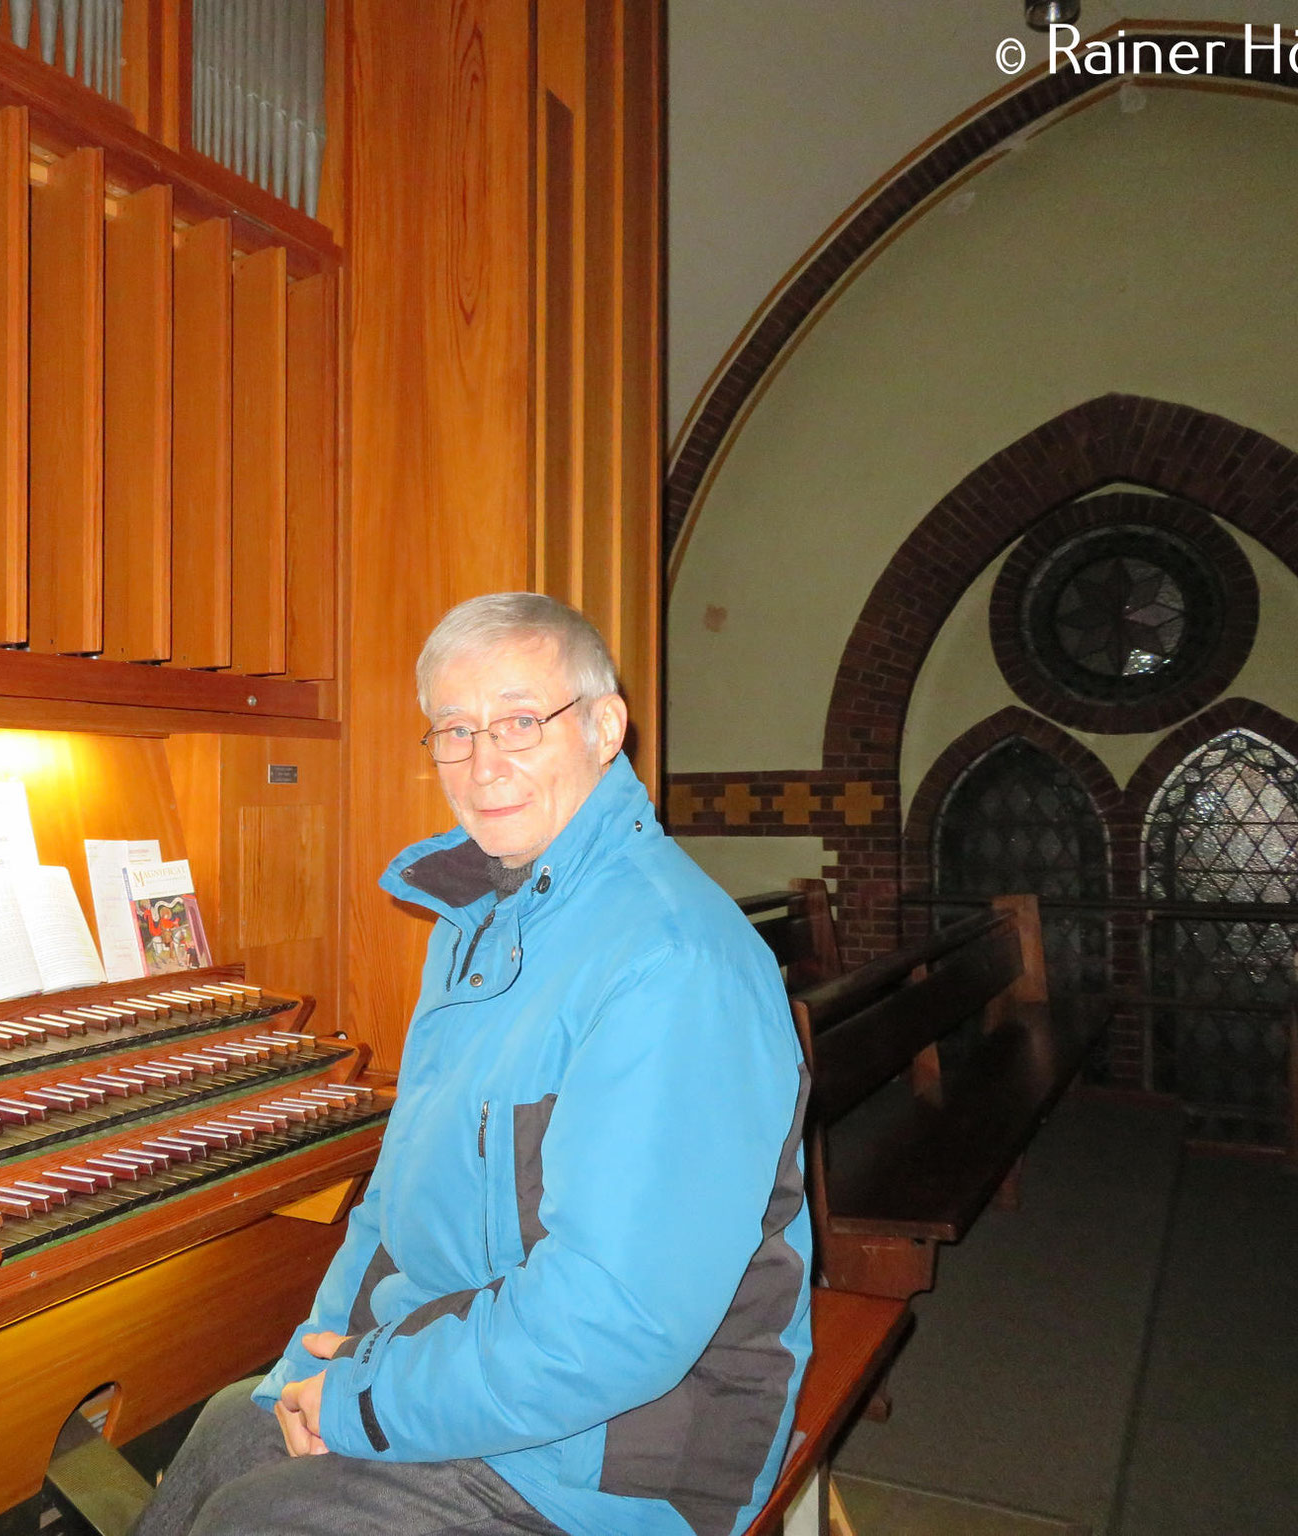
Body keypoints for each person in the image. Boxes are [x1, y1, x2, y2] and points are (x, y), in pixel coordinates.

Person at [133, 593, 811, 1536]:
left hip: (630, 1448)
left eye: (521, 723)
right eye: (455, 730)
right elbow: (394, 1206)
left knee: (264, 1521)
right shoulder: (481, 923)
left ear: (604, 728)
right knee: (228, 1432)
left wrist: (369, 1400)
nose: (484, 763)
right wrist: (310, 1374)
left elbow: (617, 1320)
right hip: (481, 1375)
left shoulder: (669, 961)